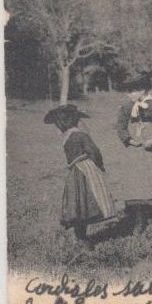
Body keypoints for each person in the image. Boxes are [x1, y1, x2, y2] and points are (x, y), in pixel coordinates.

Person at [44, 104, 116, 250]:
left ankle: (81, 236)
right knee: (90, 198)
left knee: (78, 203)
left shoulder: (66, 137)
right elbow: (94, 151)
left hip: (74, 173)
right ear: (75, 121)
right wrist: (100, 166)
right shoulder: (80, 135)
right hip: (86, 170)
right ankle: (84, 238)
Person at [114, 71, 152, 202]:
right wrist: (129, 140)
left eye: (133, 91)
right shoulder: (127, 107)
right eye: (128, 91)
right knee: (136, 178)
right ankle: (137, 209)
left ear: (143, 90)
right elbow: (120, 127)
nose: (129, 94)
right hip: (135, 149)